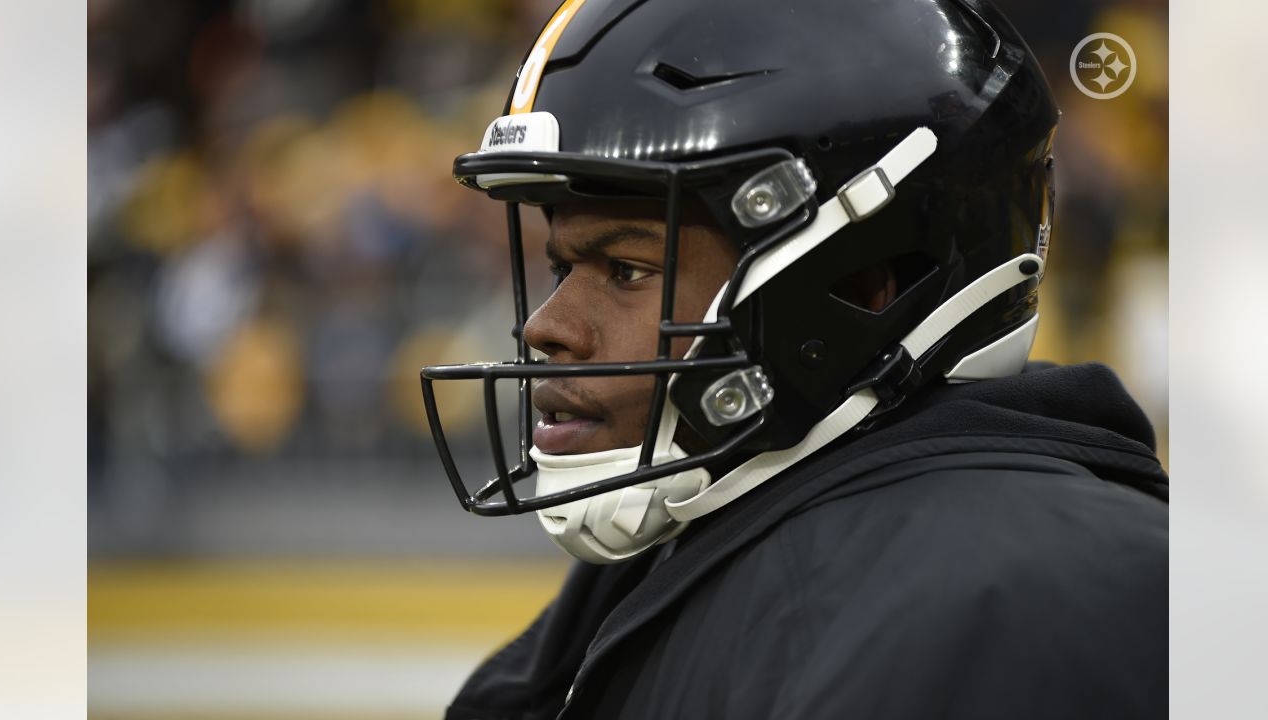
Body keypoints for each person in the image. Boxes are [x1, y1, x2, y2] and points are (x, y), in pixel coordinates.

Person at [420, 0, 1168, 717]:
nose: (547, 328)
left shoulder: (1010, 608)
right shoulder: (691, 540)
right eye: (561, 270)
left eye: (626, 270)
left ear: (867, 283)